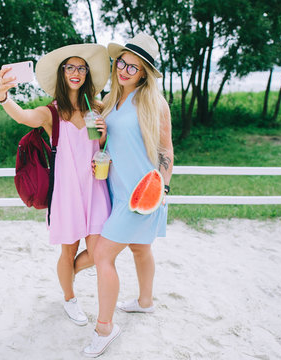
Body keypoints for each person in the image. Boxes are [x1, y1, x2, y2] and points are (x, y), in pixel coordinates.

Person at [0, 44, 111, 327]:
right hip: (67, 193)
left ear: (87, 74)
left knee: (98, 253)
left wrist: (105, 137)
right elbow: (23, 116)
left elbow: (99, 148)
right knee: (68, 251)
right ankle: (69, 298)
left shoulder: (96, 109)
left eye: (81, 68)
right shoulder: (51, 113)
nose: (76, 72)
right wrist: (2, 95)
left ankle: (65, 275)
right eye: (70, 67)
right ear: (62, 73)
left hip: (95, 189)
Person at [83, 33, 174, 357]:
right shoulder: (112, 99)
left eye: (132, 67)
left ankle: (104, 327)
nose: (123, 69)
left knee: (103, 256)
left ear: (144, 73)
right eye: (121, 62)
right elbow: (113, 141)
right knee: (139, 248)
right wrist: (103, 139)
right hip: (117, 191)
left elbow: (166, 151)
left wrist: (161, 189)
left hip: (141, 194)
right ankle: (145, 302)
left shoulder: (153, 102)